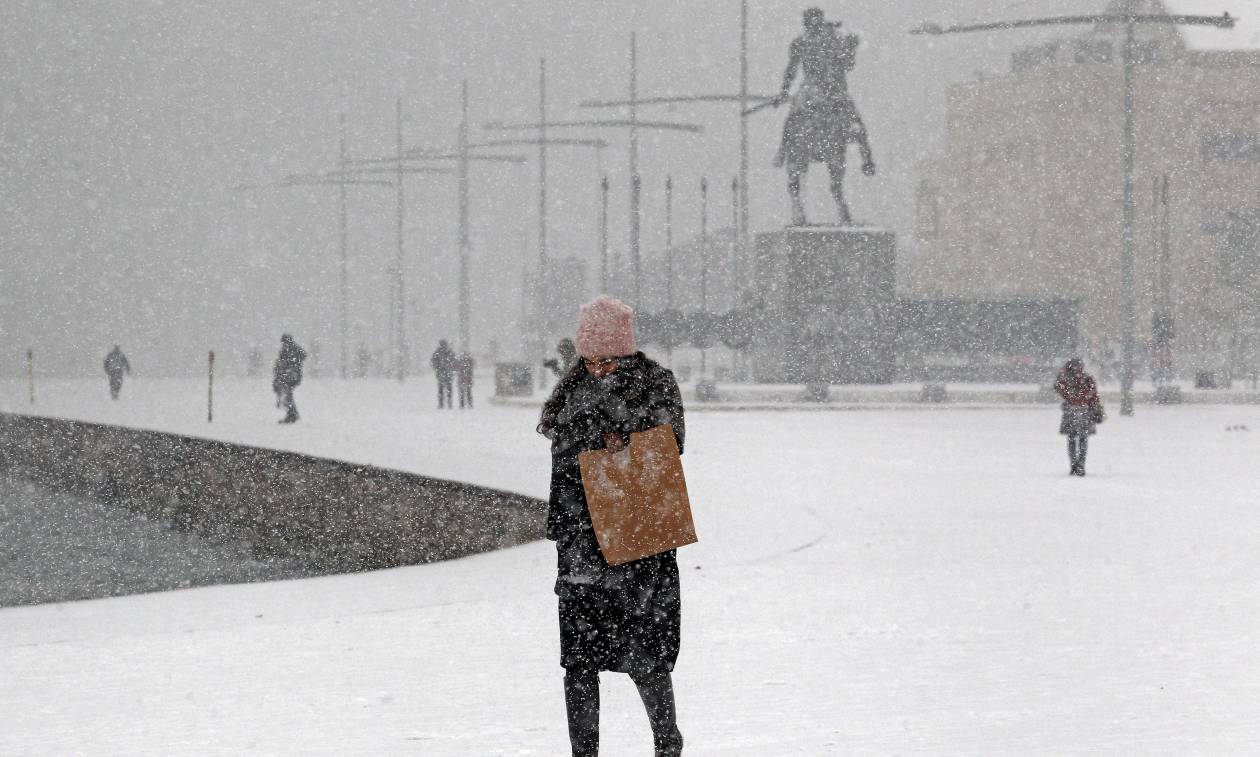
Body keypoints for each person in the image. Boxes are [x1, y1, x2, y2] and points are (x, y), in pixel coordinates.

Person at [537, 296, 686, 757]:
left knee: (645, 653)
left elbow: (671, 443)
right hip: (580, 538)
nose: (598, 367)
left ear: (625, 351)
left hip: (637, 539)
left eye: (608, 359)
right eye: (591, 358)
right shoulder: (572, 386)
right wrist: (587, 436)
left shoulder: (654, 382)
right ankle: (585, 752)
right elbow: (558, 441)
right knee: (578, 661)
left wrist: (619, 431)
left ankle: (666, 741)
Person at [1055, 357, 1101, 476]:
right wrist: (1092, 405)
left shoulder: (1065, 380)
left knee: (1071, 439)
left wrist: (1071, 399)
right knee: (1083, 440)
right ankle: (1081, 465)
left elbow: (1059, 389)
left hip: (1070, 411)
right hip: (1085, 411)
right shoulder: (1087, 379)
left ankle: (1073, 464)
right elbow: (1094, 395)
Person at [272, 334, 307, 424]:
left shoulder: (291, 349)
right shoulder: (291, 349)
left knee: (286, 395)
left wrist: (289, 367)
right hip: (289, 376)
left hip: (289, 376)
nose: (284, 343)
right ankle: (292, 414)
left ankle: (292, 414)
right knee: (287, 395)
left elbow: (283, 363)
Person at [431, 339, 455, 409]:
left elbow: (433, 362)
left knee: (442, 389)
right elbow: (453, 361)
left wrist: (437, 367)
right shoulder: (448, 352)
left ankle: (442, 403)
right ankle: (448, 403)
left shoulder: (437, 352)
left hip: (442, 373)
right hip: (446, 373)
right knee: (447, 389)